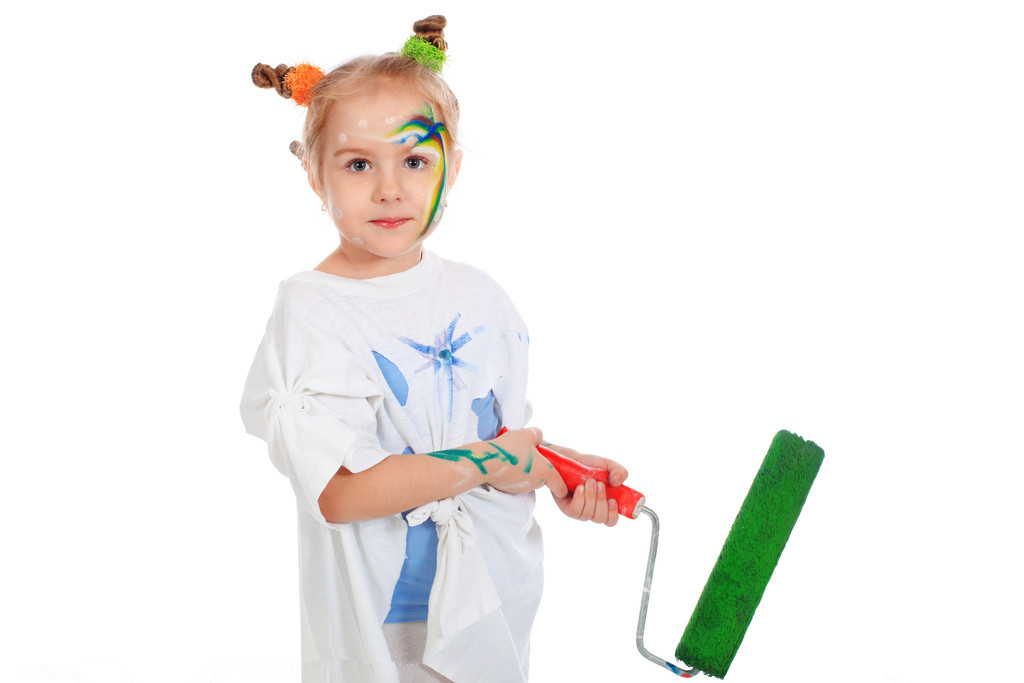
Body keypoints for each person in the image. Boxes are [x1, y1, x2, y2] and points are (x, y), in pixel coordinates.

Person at [240, 16, 629, 683]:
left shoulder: (480, 295)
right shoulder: (314, 309)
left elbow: (486, 438)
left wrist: (551, 468)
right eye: (358, 164)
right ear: (312, 173)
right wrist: (497, 457)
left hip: (491, 621)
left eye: (415, 160)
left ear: (452, 165)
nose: (389, 188)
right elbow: (340, 493)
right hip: (386, 641)